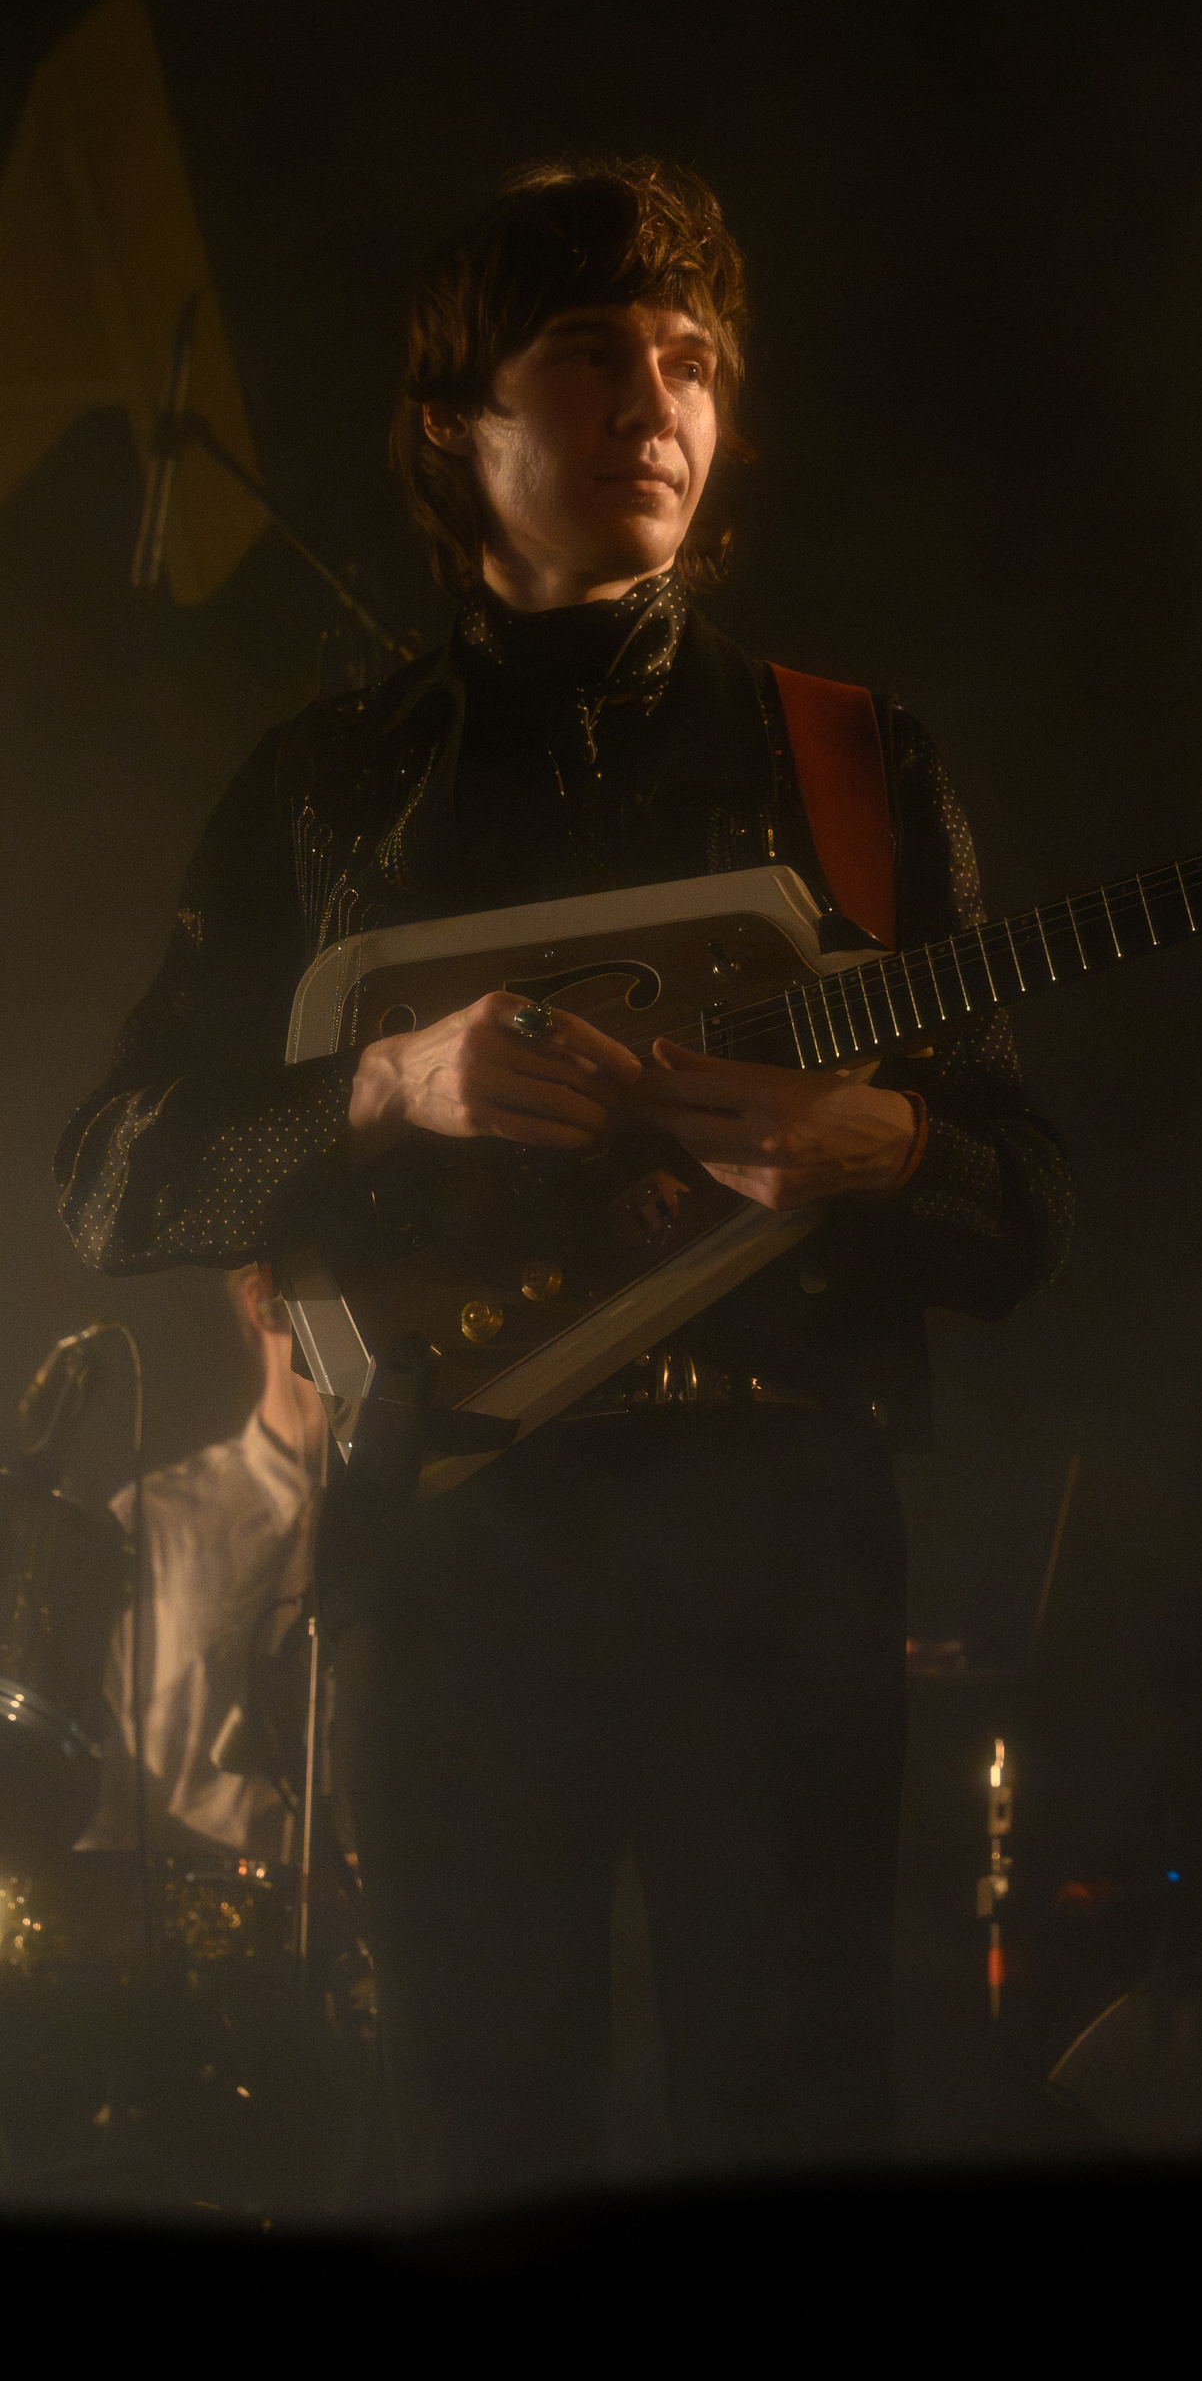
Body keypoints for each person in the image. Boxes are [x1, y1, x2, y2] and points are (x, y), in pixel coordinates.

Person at [54, 156, 1071, 2202]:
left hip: (782, 1538)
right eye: (593, 354)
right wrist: (385, 1082)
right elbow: (113, 1181)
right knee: (476, 2139)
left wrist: (890, 1145)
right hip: (452, 1559)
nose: (656, 404)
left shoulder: (855, 760)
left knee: (793, 2133)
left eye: (690, 361)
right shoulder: (325, 789)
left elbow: (1023, 1208)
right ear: (456, 423)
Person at [80, 1264, 327, 1861]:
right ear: (263, 1297)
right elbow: (92, 1803)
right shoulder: (149, 1524)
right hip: (198, 1899)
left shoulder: (439, 1518)